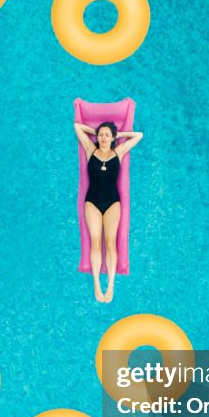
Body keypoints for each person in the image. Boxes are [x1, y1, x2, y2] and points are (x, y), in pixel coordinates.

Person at [74, 121, 143, 303]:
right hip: (92, 202)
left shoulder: (117, 152)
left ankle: (111, 283)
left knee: (110, 243)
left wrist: (118, 135)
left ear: (112, 138)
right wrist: (95, 132)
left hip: (113, 203)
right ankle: (97, 283)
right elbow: (77, 127)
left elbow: (139, 136)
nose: (103, 137)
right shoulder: (90, 149)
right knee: (96, 243)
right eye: (101, 134)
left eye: (107, 135)